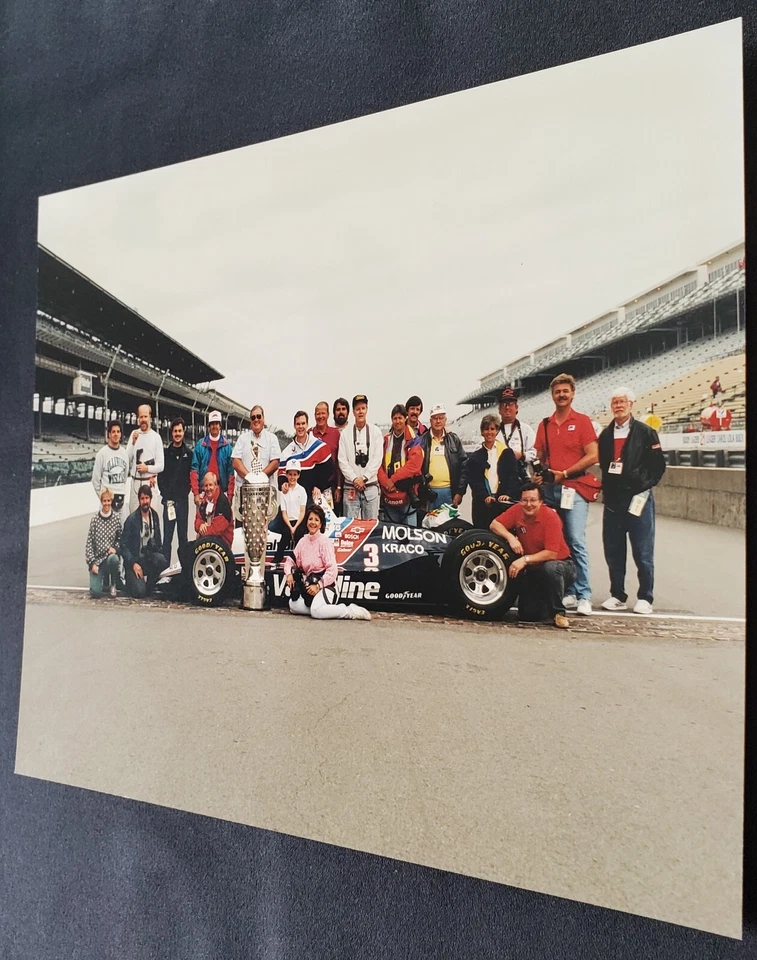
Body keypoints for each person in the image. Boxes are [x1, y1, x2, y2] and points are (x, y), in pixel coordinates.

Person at [534, 373, 599, 617]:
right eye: (557, 392)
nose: (561, 395)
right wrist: (538, 474)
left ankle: (584, 594)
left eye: (565, 391)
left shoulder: (582, 422)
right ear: (552, 395)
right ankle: (569, 589)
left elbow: (593, 455)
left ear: (572, 393)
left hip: (575, 486)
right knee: (557, 542)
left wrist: (564, 473)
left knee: (575, 538)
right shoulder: (545, 424)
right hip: (551, 490)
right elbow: (539, 456)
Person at [598, 387, 667, 615]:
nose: (618, 405)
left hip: (639, 498)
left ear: (631, 404)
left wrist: (642, 485)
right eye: (615, 402)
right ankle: (617, 594)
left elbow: (658, 467)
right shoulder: (605, 435)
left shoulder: (646, 432)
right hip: (614, 500)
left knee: (642, 549)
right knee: (614, 549)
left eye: (622, 401)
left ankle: (645, 596)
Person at [489, 482, 576, 628]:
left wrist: (524, 560)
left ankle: (558, 613)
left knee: (551, 568)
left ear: (541, 502)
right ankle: (543, 603)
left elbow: (551, 553)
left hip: (561, 566)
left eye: (533, 500)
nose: (528, 504)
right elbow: (494, 524)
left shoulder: (551, 517)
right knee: (528, 614)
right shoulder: (517, 510)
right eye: (525, 500)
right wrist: (510, 537)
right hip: (534, 568)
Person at [283, 504, 371, 620]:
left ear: (321, 524)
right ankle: (320, 608)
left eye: (316, 520)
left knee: (316, 612)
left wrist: (318, 586)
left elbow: (332, 570)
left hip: (327, 586)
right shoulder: (302, 542)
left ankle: (350, 611)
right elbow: (290, 561)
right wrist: (289, 574)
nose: (313, 523)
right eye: (310, 519)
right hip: (310, 585)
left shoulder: (324, 542)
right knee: (293, 606)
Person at [465, 413, 521, 529]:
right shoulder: (475, 457)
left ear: (497, 431)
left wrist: (507, 494)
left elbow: (513, 476)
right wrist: (484, 496)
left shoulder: (506, 452)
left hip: (502, 501)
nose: (489, 432)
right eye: (486, 429)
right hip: (482, 503)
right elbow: (474, 481)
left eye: (492, 429)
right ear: (482, 432)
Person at [337, 394, 383, 520]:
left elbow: (377, 459)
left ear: (367, 409)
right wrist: (355, 479)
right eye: (358, 409)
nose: (360, 412)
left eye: (363, 408)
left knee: (371, 527)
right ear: (353, 412)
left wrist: (365, 478)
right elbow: (342, 460)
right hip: (351, 487)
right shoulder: (345, 434)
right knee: (350, 527)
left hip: (371, 486)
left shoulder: (376, 432)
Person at [231, 405, 281, 521]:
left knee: (264, 529)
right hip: (245, 492)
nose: (256, 419)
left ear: (263, 418)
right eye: (253, 417)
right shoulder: (242, 439)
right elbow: (236, 461)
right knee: (244, 530)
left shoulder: (272, 438)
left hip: (264, 492)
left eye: (259, 416)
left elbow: (275, 462)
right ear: (250, 421)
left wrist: (260, 477)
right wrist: (249, 476)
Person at [377, 404, 423, 525]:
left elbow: (414, 466)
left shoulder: (414, 439)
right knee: (391, 538)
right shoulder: (385, 440)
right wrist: (386, 483)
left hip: (407, 495)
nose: (397, 421)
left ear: (405, 418)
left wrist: (393, 480)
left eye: (400, 418)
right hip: (389, 495)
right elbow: (377, 463)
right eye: (395, 418)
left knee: (410, 538)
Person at [120, 484, 169, 598]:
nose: (145, 501)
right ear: (139, 501)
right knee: (139, 592)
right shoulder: (132, 520)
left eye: (147, 498)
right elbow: (123, 545)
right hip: (135, 561)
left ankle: (150, 583)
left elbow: (158, 541)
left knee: (161, 560)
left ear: (150, 499)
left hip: (148, 557)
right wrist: (133, 563)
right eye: (142, 499)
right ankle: (132, 581)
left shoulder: (154, 516)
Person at [418, 404, 468, 512]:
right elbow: (417, 469)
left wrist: (460, 492)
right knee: (429, 527)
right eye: (435, 418)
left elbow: (464, 465)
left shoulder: (454, 439)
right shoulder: (422, 441)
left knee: (448, 526)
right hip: (429, 493)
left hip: (449, 492)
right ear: (430, 421)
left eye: (441, 418)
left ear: (445, 420)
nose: (438, 421)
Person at [278, 410, 334, 502]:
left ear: (307, 425)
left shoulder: (319, 445)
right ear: (294, 426)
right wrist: (283, 484)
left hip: (315, 495)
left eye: (303, 423)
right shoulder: (287, 452)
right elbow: (282, 473)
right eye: (298, 424)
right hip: (296, 498)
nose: (300, 427)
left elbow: (329, 469)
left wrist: (319, 485)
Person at [158, 417, 192, 562]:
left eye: (180, 431)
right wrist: (166, 496)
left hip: (183, 502)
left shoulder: (189, 454)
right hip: (169, 502)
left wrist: (183, 494)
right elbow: (161, 478)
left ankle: (183, 572)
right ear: (171, 433)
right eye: (175, 431)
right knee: (167, 539)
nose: (177, 434)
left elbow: (190, 478)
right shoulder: (165, 454)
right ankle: (164, 571)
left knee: (183, 538)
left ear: (183, 432)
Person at [127, 403, 165, 529]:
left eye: (145, 416)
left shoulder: (156, 437)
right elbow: (127, 459)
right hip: (135, 483)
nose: (143, 419)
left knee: (151, 521)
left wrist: (147, 468)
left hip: (150, 483)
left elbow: (161, 466)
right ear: (138, 418)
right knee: (134, 519)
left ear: (150, 417)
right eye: (141, 417)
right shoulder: (134, 434)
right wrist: (132, 443)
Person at [190, 410, 235, 509]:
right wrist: (196, 493)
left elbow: (231, 474)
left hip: (221, 492)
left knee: (221, 523)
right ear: (208, 426)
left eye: (216, 423)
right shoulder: (200, 445)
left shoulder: (227, 447)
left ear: (220, 425)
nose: (214, 426)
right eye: (212, 424)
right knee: (202, 523)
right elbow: (194, 470)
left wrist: (230, 495)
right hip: (204, 492)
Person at [85, 487, 123, 598]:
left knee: (114, 559)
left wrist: (115, 549)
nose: (106, 503)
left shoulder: (116, 518)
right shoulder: (95, 520)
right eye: (104, 501)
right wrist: (92, 563)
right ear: (101, 502)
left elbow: (120, 539)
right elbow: (89, 544)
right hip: (97, 561)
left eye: (108, 501)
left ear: (111, 501)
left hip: (109, 558)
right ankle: (103, 580)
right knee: (95, 592)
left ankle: (113, 583)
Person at [92, 420, 130, 526]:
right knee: (106, 535)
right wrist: (103, 497)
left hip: (121, 502)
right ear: (109, 434)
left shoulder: (124, 453)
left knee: (123, 533)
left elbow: (125, 476)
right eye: (113, 432)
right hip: (107, 502)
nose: (116, 434)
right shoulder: (102, 454)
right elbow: (95, 479)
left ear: (121, 434)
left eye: (118, 431)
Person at [269, 459, 308, 563]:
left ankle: (300, 561)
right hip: (287, 521)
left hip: (298, 521)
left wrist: (295, 527)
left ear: (298, 475)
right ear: (286, 475)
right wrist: (290, 527)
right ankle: (277, 559)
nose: (292, 477)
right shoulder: (284, 492)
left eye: (295, 474)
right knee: (285, 534)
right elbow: (284, 512)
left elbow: (302, 511)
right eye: (290, 474)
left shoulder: (302, 490)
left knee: (299, 534)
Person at [497, 388, 536, 479]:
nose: (507, 407)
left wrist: (522, 455)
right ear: (499, 409)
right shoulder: (493, 431)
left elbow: (535, 453)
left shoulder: (526, 429)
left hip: (521, 478)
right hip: (498, 479)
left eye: (511, 404)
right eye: (504, 404)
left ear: (516, 408)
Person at [310, 401, 342, 509]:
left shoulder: (335, 433)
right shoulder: (309, 434)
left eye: (323, 413)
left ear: (328, 414)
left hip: (331, 485)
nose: (320, 416)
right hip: (313, 487)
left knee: (333, 519)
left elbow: (338, 461)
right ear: (314, 416)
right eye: (318, 414)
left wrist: (338, 486)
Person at [192, 471, 234, 548]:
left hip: (222, 543)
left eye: (210, 485)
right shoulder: (204, 500)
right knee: (184, 549)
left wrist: (202, 532)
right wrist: (200, 525)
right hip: (208, 539)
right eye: (206, 486)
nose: (208, 488)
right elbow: (197, 519)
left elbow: (216, 530)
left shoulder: (223, 502)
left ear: (216, 485)